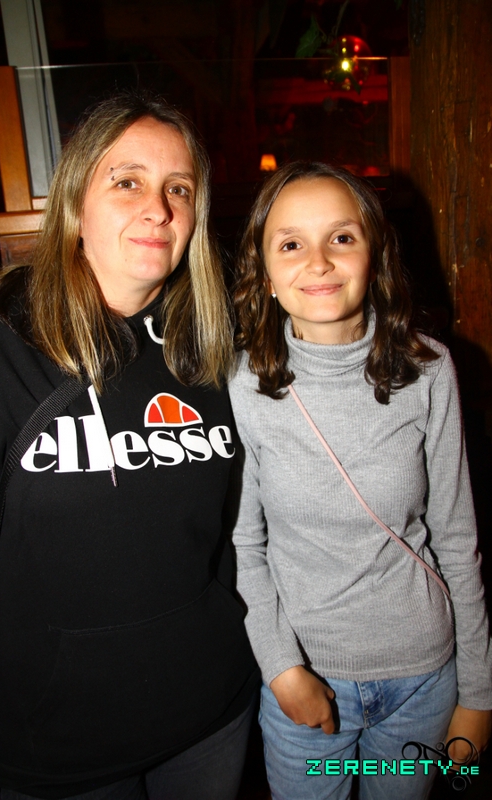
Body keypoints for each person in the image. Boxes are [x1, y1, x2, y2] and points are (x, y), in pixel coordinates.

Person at [0, 92, 258, 800]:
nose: (159, 209)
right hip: (57, 744)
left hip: (212, 718)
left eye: (178, 189)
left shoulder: (216, 343)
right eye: (127, 182)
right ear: (74, 203)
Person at [229, 161, 492, 800]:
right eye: (291, 244)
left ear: (375, 255)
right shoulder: (241, 386)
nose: (318, 261)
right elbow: (244, 546)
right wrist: (282, 668)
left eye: (341, 237)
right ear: (265, 275)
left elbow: (458, 540)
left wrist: (479, 696)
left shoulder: (431, 371)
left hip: (424, 683)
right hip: (307, 684)